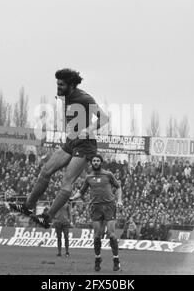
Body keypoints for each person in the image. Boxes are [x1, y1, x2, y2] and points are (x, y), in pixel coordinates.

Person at [9, 69, 109, 228]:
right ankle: (27, 206)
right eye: (57, 83)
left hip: (85, 144)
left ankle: (47, 218)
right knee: (45, 171)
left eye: (61, 84)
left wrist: (87, 130)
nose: (58, 87)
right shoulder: (65, 95)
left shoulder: (85, 98)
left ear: (71, 85)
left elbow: (104, 118)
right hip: (71, 141)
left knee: (67, 181)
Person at [70, 154, 123, 272]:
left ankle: (116, 260)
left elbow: (118, 187)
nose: (95, 162)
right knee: (97, 237)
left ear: (101, 162)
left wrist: (119, 200)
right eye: (94, 160)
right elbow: (81, 192)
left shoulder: (108, 174)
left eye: (97, 161)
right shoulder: (88, 177)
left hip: (109, 206)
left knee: (112, 235)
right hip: (96, 207)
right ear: (91, 163)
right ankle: (98, 259)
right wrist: (73, 198)